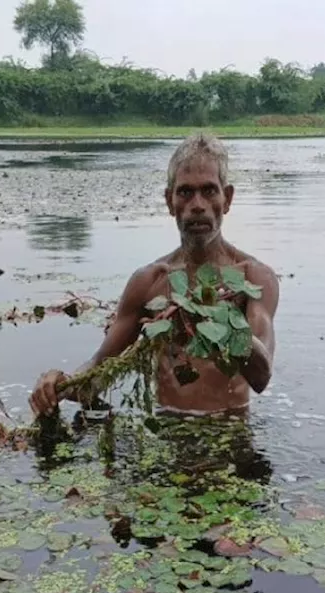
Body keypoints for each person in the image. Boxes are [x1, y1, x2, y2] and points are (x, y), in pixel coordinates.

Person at [29, 132, 280, 417]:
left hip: (230, 432)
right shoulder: (149, 282)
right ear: (169, 201)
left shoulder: (254, 279)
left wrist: (225, 322)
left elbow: (262, 377)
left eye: (209, 190)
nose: (198, 205)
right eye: (185, 192)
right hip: (167, 432)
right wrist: (59, 384)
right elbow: (99, 368)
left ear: (227, 198)